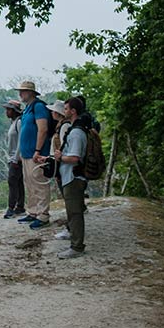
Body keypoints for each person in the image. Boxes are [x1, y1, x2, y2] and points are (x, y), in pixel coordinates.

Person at [52, 96, 92, 259]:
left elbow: (75, 158)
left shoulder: (76, 133)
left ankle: (77, 246)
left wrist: (60, 157)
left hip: (73, 177)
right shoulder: (78, 129)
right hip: (71, 176)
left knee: (75, 213)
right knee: (73, 211)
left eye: (67, 109)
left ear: (73, 111)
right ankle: (75, 243)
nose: (64, 111)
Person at [17, 81, 55, 229]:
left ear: (31, 92)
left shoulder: (38, 107)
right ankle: (33, 211)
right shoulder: (27, 109)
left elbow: (43, 129)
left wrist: (38, 150)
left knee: (39, 183)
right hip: (27, 153)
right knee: (29, 183)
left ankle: (43, 214)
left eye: (24, 91)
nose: (21, 94)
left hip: (36, 153)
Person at [1, 99, 26, 219]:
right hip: (13, 157)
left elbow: (21, 141)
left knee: (12, 181)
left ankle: (11, 207)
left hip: (17, 158)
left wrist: (15, 158)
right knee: (19, 182)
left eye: (9, 109)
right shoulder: (14, 123)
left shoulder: (19, 122)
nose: (7, 112)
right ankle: (20, 206)